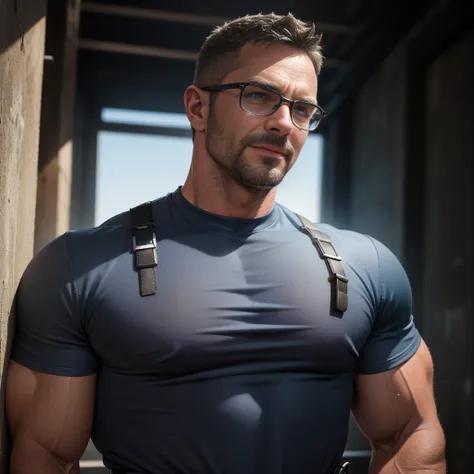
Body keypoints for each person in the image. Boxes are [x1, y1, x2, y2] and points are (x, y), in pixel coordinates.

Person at [6, 12, 446, 474]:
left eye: (302, 109)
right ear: (198, 108)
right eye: (259, 96)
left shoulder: (365, 266)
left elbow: (410, 434)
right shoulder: (81, 266)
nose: (284, 123)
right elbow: (47, 457)